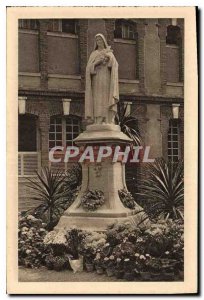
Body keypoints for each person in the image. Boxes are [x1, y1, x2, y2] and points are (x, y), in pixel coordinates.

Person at [85, 33, 119, 124]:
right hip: (97, 79)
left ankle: (107, 118)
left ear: (103, 41)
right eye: (97, 40)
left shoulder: (109, 52)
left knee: (106, 97)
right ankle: (98, 119)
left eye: (100, 40)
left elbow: (115, 65)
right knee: (98, 98)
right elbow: (88, 69)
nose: (99, 42)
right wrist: (96, 63)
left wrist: (109, 58)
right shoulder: (94, 53)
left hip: (107, 78)